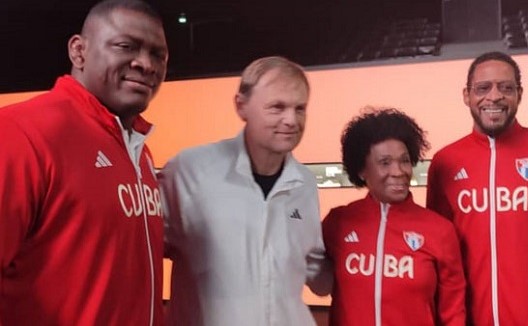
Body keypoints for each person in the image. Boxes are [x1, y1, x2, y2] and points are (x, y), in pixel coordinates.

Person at [0, 0, 168, 325]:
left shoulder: (138, 151)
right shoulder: (20, 133)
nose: (146, 64)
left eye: (158, 55)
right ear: (79, 51)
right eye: (126, 46)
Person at [160, 56, 330, 326]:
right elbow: (140, 255)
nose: (291, 120)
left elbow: (317, 275)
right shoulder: (189, 170)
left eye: (300, 108)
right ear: (241, 106)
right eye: (277, 107)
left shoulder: (305, 183)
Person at [427, 51, 528, 325]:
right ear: (466, 95)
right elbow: (440, 258)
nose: (494, 96)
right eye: (483, 88)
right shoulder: (444, 163)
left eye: (505, 87)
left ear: (519, 94)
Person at [323, 108, 466, 325]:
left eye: (405, 160)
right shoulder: (338, 223)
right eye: (385, 162)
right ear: (362, 170)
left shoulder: (440, 230)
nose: (399, 171)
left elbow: (453, 313)